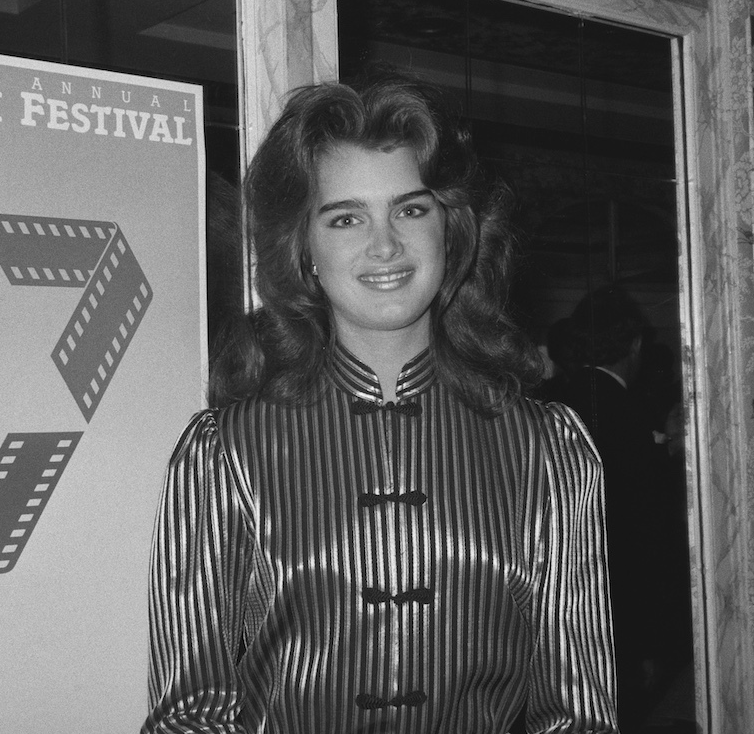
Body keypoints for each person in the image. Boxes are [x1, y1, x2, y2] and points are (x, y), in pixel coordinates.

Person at [141, 71, 618, 734]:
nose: (385, 243)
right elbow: (189, 716)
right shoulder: (223, 454)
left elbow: (579, 716)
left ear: (449, 230)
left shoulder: (551, 451)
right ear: (304, 248)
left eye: (411, 208)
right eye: (346, 217)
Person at [542, 286, 690, 732]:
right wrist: (650, 643)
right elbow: (646, 534)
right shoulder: (624, 410)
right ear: (636, 344)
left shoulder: (555, 404)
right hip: (617, 616)